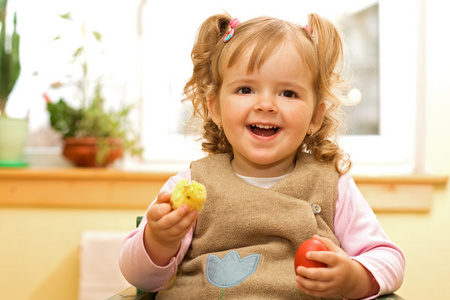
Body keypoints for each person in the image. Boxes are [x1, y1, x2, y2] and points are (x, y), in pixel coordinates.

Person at [119, 13, 405, 299]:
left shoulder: (333, 186)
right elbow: (142, 278)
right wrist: (158, 241)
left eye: (288, 93)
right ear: (215, 107)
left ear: (316, 116)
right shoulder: (190, 186)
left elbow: (389, 259)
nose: (266, 104)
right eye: (245, 89)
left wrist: (354, 277)